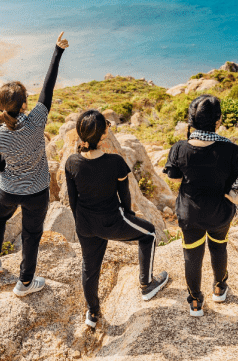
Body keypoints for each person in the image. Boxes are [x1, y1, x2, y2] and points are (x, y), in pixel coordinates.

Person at [0, 32, 69, 298]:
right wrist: (57, 50)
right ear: (25, 104)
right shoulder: (37, 120)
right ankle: (25, 283)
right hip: (37, 191)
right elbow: (48, 89)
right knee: (31, 235)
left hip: (7, 189)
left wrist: (12, 166)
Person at [65, 110, 169, 328]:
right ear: (103, 136)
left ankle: (92, 313)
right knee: (149, 233)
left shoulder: (72, 162)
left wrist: (82, 223)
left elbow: (73, 200)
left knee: (89, 267)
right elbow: (125, 196)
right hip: (112, 221)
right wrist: (129, 216)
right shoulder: (114, 162)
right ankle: (147, 284)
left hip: (85, 223)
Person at [164, 94, 238, 317]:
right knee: (219, 247)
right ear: (218, 120)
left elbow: (174, 177)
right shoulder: (230, 150)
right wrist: (237, 199)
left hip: (190, 214)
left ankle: (195, 301)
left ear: (191, 120)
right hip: (220, 212)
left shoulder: (179, 148)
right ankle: (219, 287)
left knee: (192, 255)